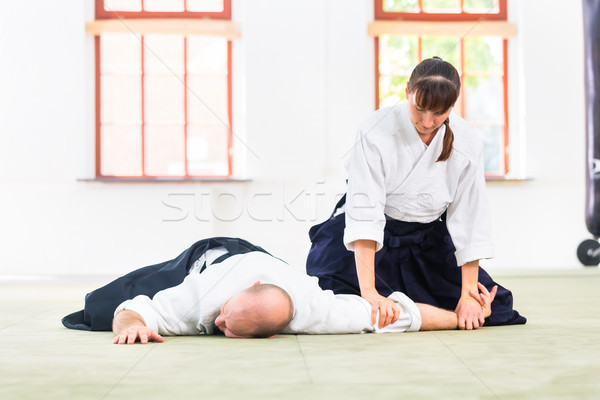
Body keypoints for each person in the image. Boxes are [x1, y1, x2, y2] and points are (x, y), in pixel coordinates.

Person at [306, 57, 526, 331]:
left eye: (439, 113)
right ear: (407, 90)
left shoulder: (466, 141)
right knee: (326, 296)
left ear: (452, 106)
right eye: (419, 109)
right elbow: (365, 213)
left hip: (426, 242)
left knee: (495, 305)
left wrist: (468, 295)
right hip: (374, 239)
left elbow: (468, 219)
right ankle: (421, 311)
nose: (427, 121)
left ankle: (413, 311)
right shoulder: (375, 130)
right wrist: (371, 293)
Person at [110, 244, 498, 344]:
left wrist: (464, 318)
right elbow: (131, 308)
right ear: (244, 292)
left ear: (276, 333)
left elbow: (400, 314)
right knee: (99, 309)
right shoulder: (202, 298)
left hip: (271, 266)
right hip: (208, 257)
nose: (221, 324)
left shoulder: (321, 312)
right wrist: (130, 324)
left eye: (228, 329)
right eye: (225, 316)